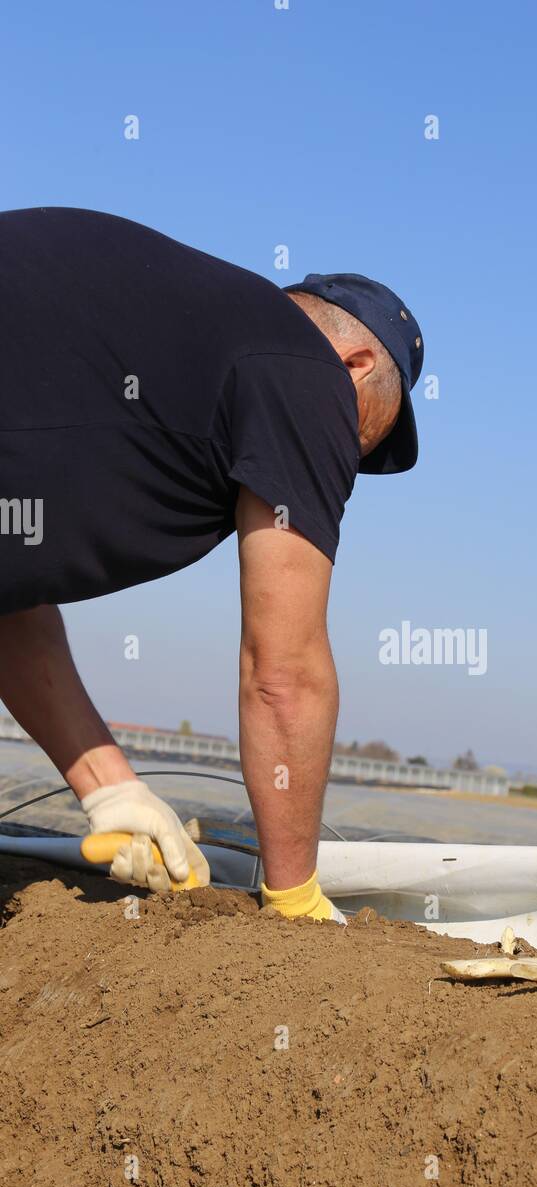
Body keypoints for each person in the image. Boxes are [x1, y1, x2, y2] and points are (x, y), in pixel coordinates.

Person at [0, 207, 424, 921]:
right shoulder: (304, 371)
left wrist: (111, 790)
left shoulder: (165, 343)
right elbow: (282, 675)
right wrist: (295, 896)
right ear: (356, 365)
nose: (346, 461)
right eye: (363, 438)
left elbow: (10, 599)